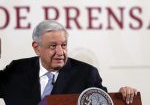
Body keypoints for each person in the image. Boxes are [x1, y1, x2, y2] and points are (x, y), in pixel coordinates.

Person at [0, 20, 137, 105]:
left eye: (64, 45)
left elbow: (102, 101)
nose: (60, 52)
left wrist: (123, 97)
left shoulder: (86, 74)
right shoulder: (16, 70)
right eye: (53, 46)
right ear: (37, 48)